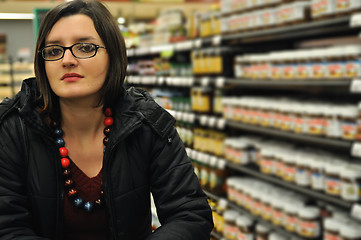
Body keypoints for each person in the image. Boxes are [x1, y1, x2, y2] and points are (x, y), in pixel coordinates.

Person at [0, 0, 213, 239]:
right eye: (53, 51)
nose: (67, 60)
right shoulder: (14, 128)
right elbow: (7, 226)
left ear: (113, 55)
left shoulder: (146, 123)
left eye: (84, 47)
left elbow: (190, 214)